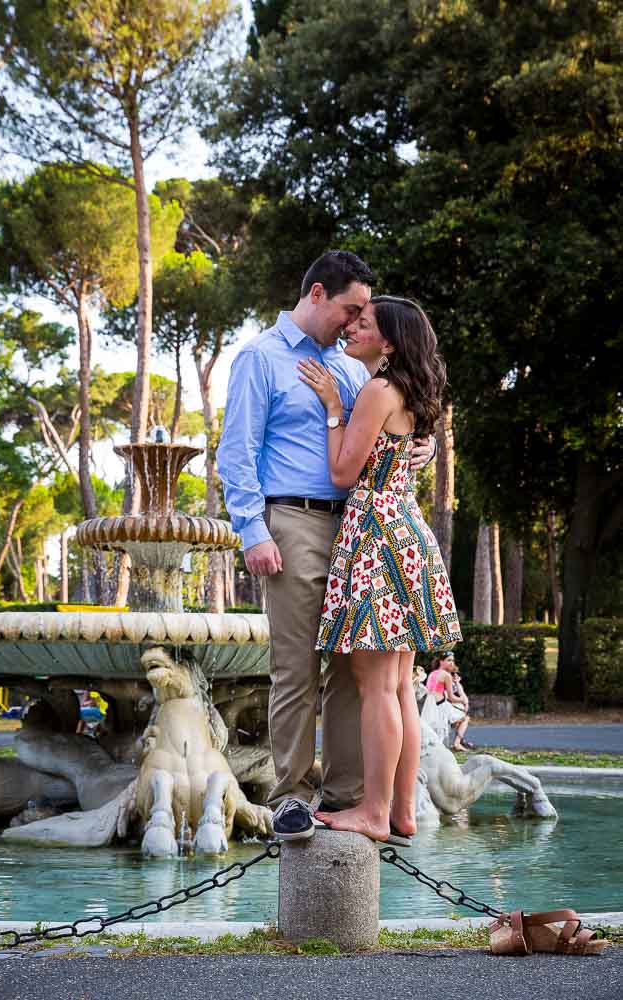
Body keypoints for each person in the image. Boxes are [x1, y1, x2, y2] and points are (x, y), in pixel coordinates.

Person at [217, 251, 435, 841]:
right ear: (317, 294)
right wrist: (253, 530)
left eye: (362, 314)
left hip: (361, 528)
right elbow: (236, 453)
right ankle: (292, 796)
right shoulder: (259, 358)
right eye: (349, 309)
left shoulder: (351, 368)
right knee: (295, 670)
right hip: (293, 522)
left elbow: (395, 416)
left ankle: (346, 796)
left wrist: (427, 448)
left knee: (353, 672)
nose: (354, 321)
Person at [298, 295, 462, 845]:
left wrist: (332, 409)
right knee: (397, 686)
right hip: (408, 532)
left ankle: (372, 810)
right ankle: (401, 812)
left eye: (362, 324)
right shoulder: (411, 393)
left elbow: (344, 472)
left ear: (387, 341)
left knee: (375, 687)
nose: (352, 328)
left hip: (375, 534)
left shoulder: (377, 390)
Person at [425, 652, 474, 751]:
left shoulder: (432, 673)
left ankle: (455, 741)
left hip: (430, 706)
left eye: (452, 660)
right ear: (441, 661)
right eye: (449, 660)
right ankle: (457, 743)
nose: (452, 663)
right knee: (465, 718)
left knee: (454, 720)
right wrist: (463, 700)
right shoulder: (446, 675)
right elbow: (451, 697)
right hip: (440, 706)